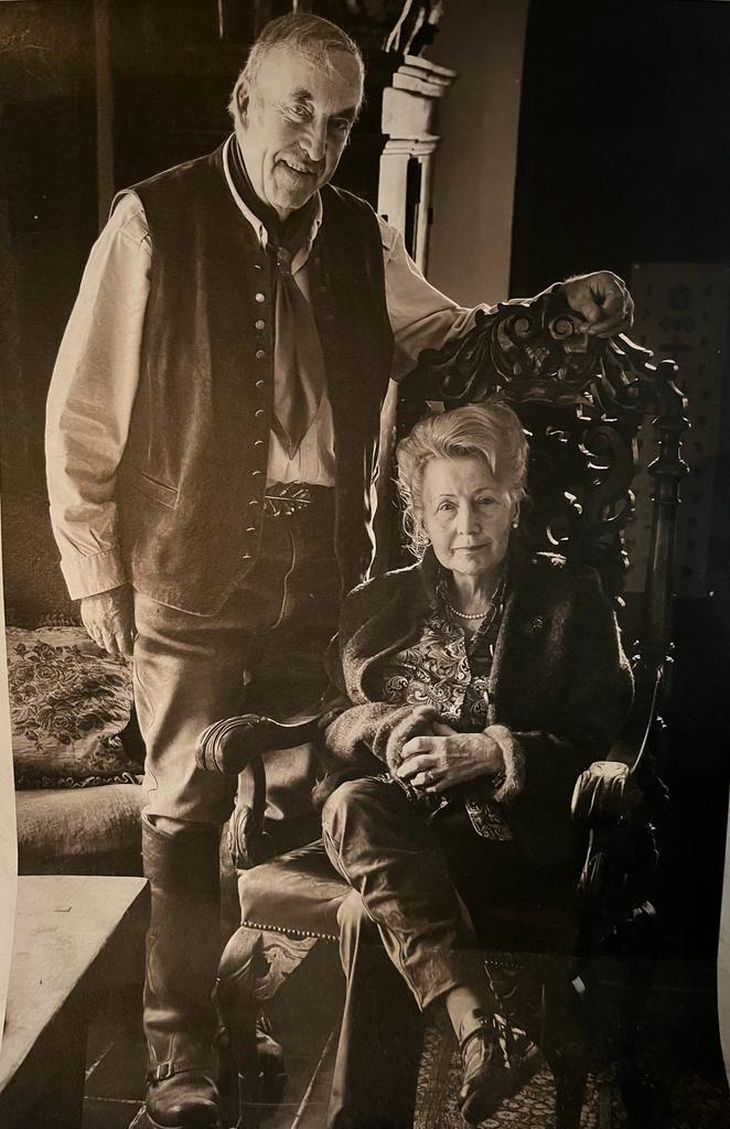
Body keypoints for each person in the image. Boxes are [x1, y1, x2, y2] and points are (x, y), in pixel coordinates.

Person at [44, 13, 634, 1128]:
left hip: (320, 579)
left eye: (341, 119)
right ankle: (182, 1057)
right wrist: (93, 572)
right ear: (244, 104)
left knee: (295, 798)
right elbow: (79, 419)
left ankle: (248, 1003)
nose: (314, 140)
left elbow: (458, 342)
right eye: (295, 109)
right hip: (187, 565)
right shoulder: (151, 222)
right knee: (178, 809)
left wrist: (560, 311)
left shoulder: (363, 238)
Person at [315, 401, 634, 1125]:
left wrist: (492, 752)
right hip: (398, 829)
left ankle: (394, 1093)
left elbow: (601, 738)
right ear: (419, 517)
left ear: (514, 502)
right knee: (352, 805)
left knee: (370, 913)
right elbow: (332, 721)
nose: (467, 525)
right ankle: (483, 1031)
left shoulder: (568, 598)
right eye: (447, 505)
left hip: (511, 840)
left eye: (485, 501)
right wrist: (388, 731)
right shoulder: (377, 603)